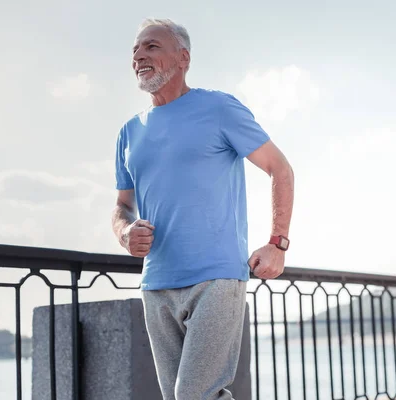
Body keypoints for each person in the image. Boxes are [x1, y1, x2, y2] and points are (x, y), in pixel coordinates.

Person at [111, 18, 294, 400]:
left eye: (151, 47)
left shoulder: (218, 107)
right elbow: (122, 206)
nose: (140, 56)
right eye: (135, 51)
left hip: (217, 276)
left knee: (193, 394)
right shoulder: (129, 132)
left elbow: (280, 168)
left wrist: (276, 242)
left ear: (183, 58)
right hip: (156, 282)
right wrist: (125, 232)